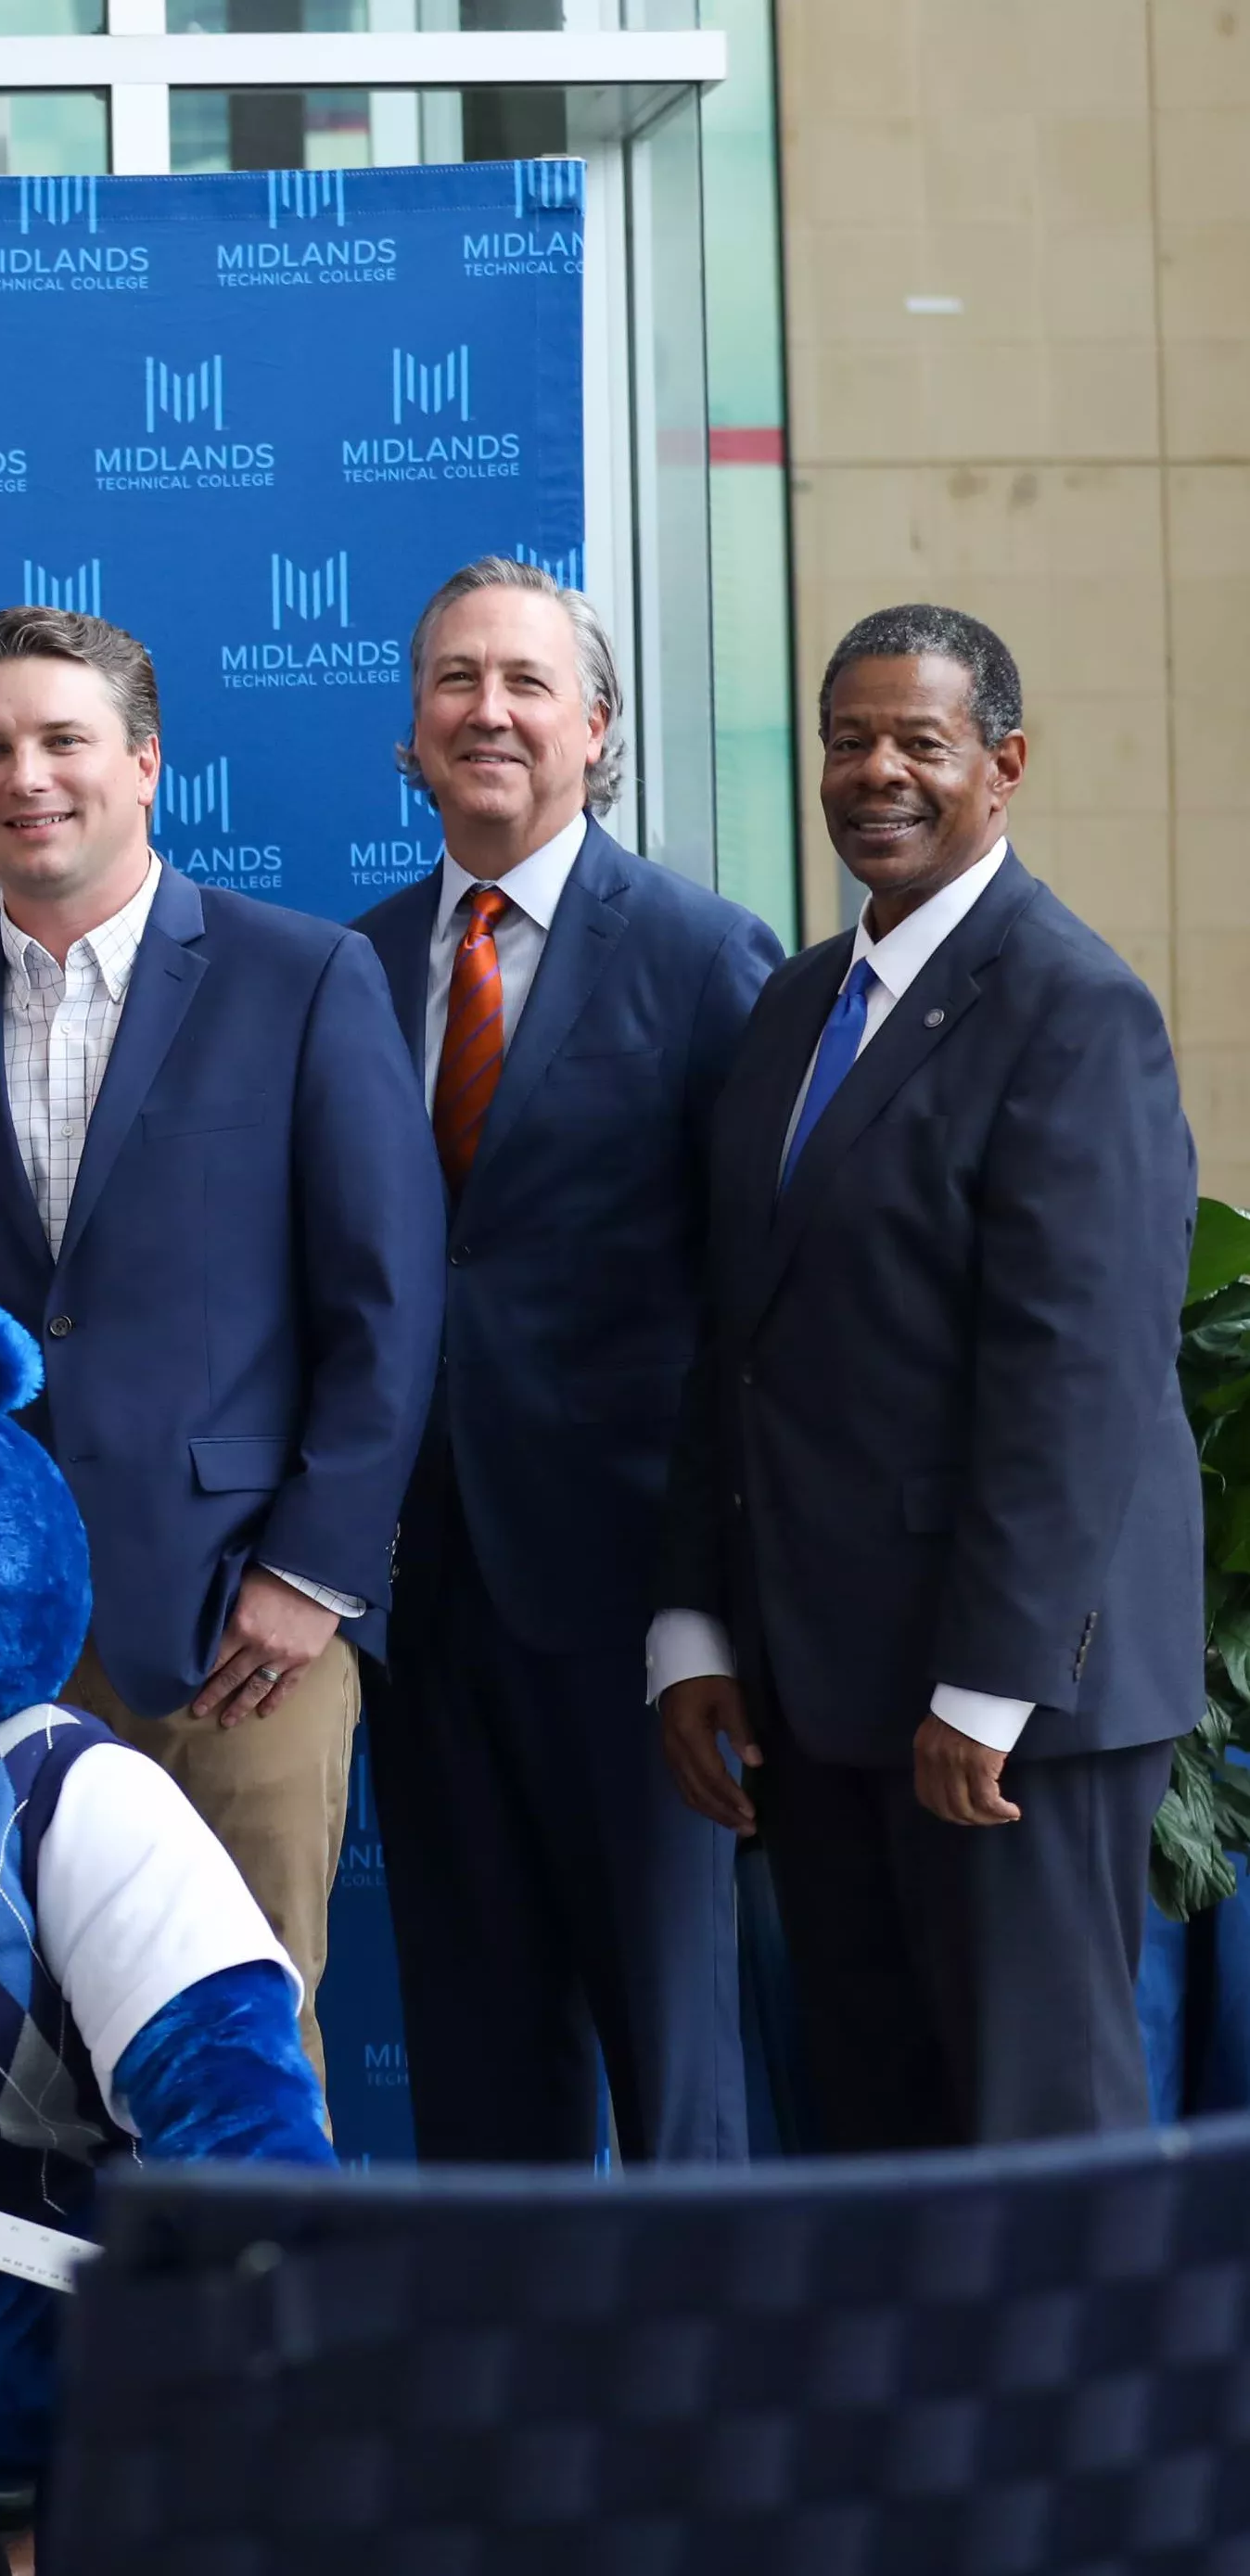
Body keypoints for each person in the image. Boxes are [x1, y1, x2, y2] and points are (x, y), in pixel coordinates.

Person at [0, 604, 442, 2076]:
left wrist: (312, 1575)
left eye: (62, 741)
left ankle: (244, 2320)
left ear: (147, 762)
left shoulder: (298, 976)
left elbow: (391, 1300)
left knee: (236, 2050)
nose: (25, 776)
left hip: (240, 1635)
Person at [654, 604, 1202, 2149]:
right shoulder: (792, 1005)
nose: (875, 770)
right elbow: (733, 1339)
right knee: (882, 2138)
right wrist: (697, 1625)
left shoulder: (1071, 1008)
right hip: (818, 1697)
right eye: (847, 739)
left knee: (1041, 2136)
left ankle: (1104, 2409)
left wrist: (992, 1682)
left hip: (1003, 1704)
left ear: (1002, 766)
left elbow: (1076, 1374)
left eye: (919, 740)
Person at [346, 558, 781, 2166]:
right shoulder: (356, 964)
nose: (488, 710)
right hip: (419, 1601)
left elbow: (759, 1302)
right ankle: (504, 2408)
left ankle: (702, 2411)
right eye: (454, 679)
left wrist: (709, 1600)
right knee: (475, 2056)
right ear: (412, 728)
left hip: (633, 1617)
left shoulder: (698, 953)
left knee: (679, 2070)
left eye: (526, 681)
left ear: (595, 726)